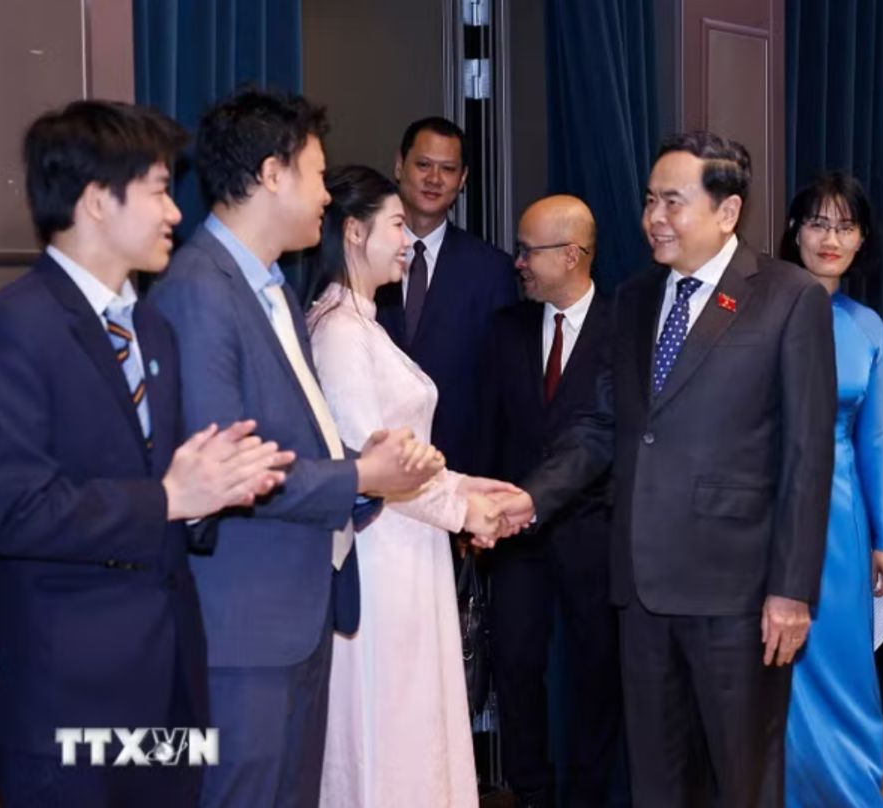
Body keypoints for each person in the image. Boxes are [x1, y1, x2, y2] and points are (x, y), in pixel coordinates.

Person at [485, 131, 837, 806]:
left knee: (741, 780)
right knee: (658, 781)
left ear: (727, 211)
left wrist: (791, 590)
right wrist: (528, 500)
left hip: (738, 593)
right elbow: (601, 425)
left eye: (672, 202)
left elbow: (806, 454)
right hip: (641, 588)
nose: (653, 218)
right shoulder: (638, 297)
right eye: (650, 201)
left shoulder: (788, 298)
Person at [0, 100, 293, 807]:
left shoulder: (152, 330)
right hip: (64, 698)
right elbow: (16, 509)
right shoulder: (11, 328)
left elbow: (168, 492)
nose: (175, 213)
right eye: (158, 188)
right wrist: (171, 499)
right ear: (97, 200)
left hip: (169, 688)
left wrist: (216, 491)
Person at [150, 90, 444, 808]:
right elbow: (228, 473)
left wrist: (362, 463)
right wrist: (359, 474)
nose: (325, 196)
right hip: (241, 629)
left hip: (293, 617)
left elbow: (290, 436)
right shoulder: (201, 292)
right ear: (272, 173)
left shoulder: (269, 287)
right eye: (317, 176)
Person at [304, 164, 516, 808]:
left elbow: (411, 457)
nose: (407, 240)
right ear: (352, 232)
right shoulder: (340, 333)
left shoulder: (363, 325)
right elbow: (376, 465)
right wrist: (464, 510)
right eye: (395, 224)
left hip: (407, 552)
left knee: (413, 726)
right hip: (379, 558)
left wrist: (479, 488)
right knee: (387, 729)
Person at [476, 195, 621, 808]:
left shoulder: (626, 328)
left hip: (597, 534)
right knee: (515, 667)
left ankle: (587, 796)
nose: (519, 262)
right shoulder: (504, 330)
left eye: (530, 249)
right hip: (515, 538)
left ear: (573, 255)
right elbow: (486, 429)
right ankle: (530, 791)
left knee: (595, 675)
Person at [777, 172, 883, 806]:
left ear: (862, 240)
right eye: (818, 223)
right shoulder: (761, 307)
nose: (831, 237)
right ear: (794, 230)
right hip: (769, 512)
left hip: (844, 520)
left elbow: (877, 436)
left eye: (845, 226)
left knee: (845, 670)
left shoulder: (867, 326)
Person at [374, 116, 518, 471]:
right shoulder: (363, 254)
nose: (434, 179)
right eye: (423, 165)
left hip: (457, 466)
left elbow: (499, 389)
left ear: (463, 179)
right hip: (372, 462)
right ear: (399, 165)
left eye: (448, 169)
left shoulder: (492, 270)